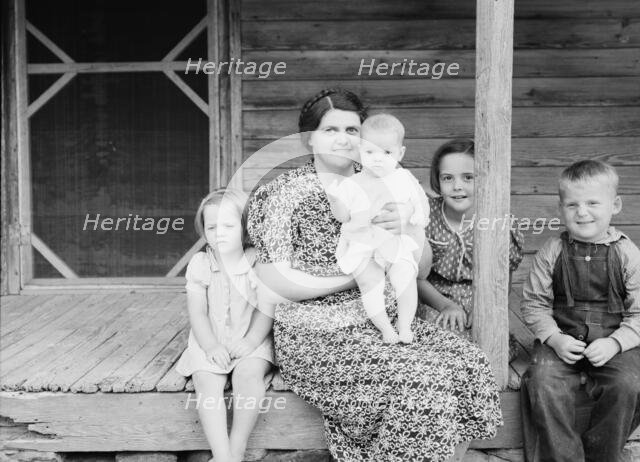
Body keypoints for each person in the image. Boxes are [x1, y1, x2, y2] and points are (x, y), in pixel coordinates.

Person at [245, 88, 503, 462]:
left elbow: (422, 269)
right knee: (419, 384)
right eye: (330, 129)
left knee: (468, 364)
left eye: (352, 130)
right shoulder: (283, 194)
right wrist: (358, 274)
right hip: (316, 332)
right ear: (308, 138)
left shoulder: (389, 181)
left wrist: (409, 231)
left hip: (387, 321)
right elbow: (270, 280)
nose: (343, 139)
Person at [519, 160, 640, 462]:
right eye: (572, 204)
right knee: (541, 380)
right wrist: (554, 339)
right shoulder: (552, 250)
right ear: (561, 209)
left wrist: (615, 343)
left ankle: (602, 453)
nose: (581, 212)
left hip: (613, 340)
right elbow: (534, 303)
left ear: (615, 205)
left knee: (629, 384)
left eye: (592, 203)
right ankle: (564, 457)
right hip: (563, 338)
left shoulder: (627, 253)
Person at [175, 189, 275, 462]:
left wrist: (252, 341)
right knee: (206, 381)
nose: (219, 232)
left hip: (251, 335)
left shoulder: (256, 260)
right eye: (212, 226)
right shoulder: (201, 262)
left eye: (228, 226)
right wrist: (210, 345)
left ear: (243, 227)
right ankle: (222, 457)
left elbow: (267, 307)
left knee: (248, 375)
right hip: (211, 337)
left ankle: (237, 450)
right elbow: (197, 313)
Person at [326, 113, 431, 344]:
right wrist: (335, 201)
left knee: (405, 275)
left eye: (387, 152)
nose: (377, 159)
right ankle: (385, 328)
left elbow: (422, 208)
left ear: (400, 153)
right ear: (360, 151)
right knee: (369, 282)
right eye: (370, 152)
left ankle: (405, 325)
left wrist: (410, 213)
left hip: (394, 241)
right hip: (363, 244)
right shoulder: (352, 184)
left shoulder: (404, 178)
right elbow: (343, 217)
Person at [417, 139, 524, 339]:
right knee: (439, 338)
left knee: (490, 342)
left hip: (481, 297)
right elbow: (415, 276)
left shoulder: (498, 220)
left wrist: (486, 307)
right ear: (437, 180)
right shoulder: (425, 215)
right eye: (448, 178)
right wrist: (446, 305)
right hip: (434, 298)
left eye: (468, 177)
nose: (457, 186)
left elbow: (503, 276)